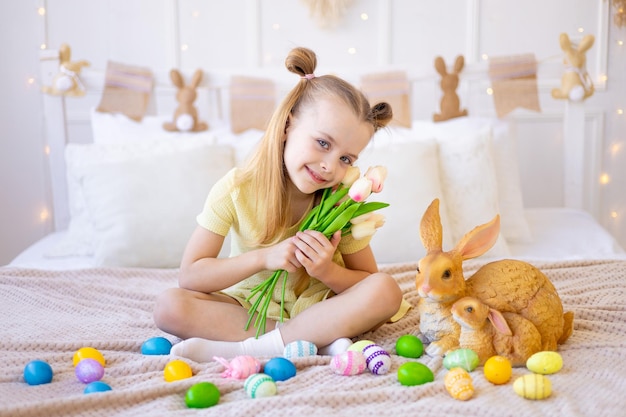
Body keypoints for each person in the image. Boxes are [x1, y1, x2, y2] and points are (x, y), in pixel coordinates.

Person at [153, 47, 405, 362]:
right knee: (169, 306)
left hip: (322, 305)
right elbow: (191, 276)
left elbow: (369, 281)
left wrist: (326, 271)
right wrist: (263, 258)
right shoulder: (236, 189)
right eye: (323, 143)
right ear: (287, 126)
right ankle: (315, 340)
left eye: (345, 158)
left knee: (387, 290)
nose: (330, 166)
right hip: (250, 306)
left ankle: (260, 347)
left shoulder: (343, 201)